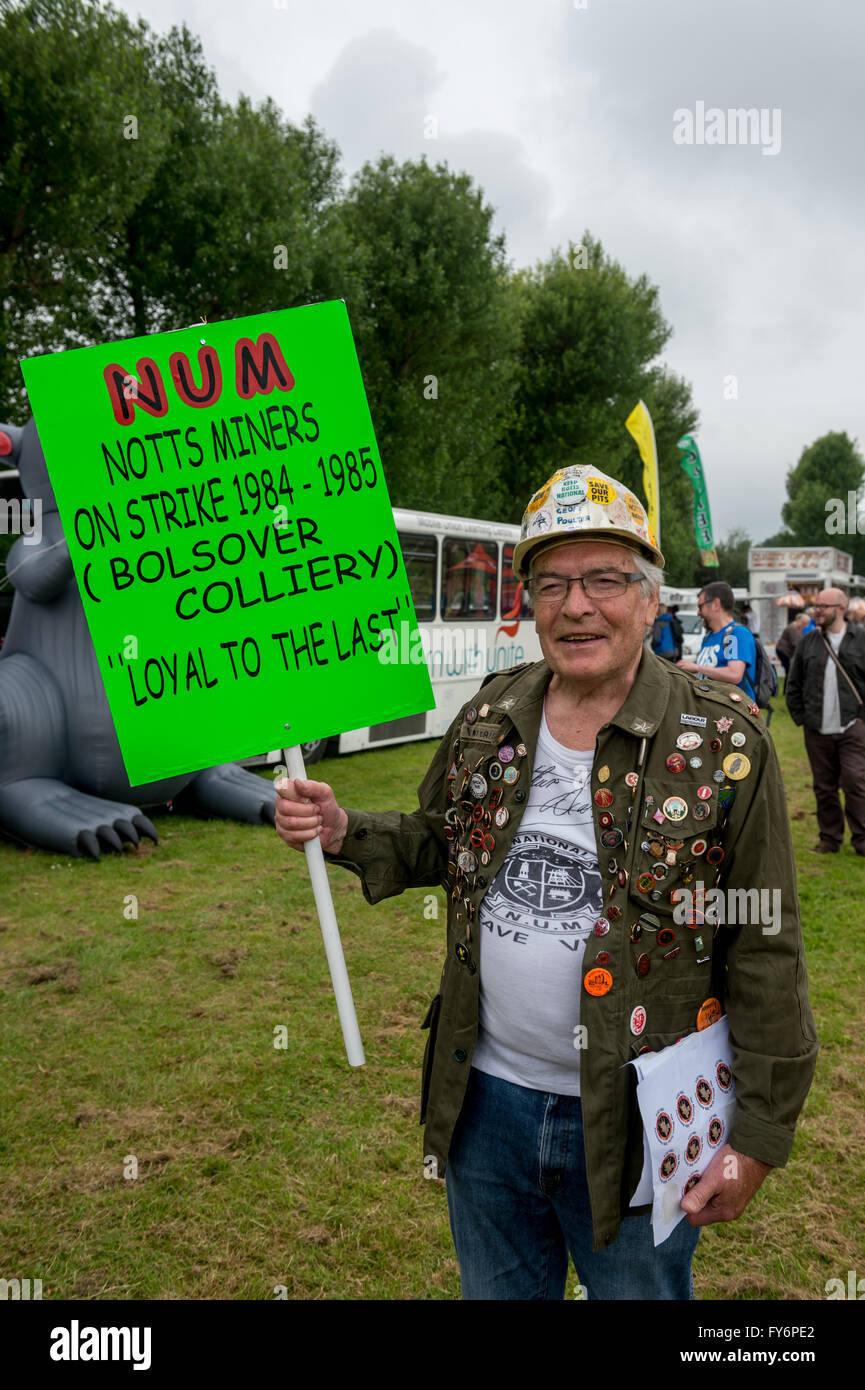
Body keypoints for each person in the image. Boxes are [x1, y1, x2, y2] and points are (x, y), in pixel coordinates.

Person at [274, 463, 817, 1301]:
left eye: (603, 578)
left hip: (642, 1120)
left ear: (646, 597)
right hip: (484, 1106)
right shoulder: (491, 715)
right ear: (528, 601)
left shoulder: (725, 740)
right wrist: (345, 829)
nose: (575, 605)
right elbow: (437, 841)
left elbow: (763, 945)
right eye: (552, 582)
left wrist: (758, 1135)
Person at [785, 587, 865, 855]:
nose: (816, 610)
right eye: (816, 605)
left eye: (823, 606)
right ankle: (829, 840)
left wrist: (861, 721)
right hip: (817, 728)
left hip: (852, 726)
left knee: (855, 782)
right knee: (824, 787)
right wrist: (802, 718)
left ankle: (862, 840)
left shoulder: (861, 639)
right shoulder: (809, 642)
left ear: (841, 608)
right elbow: (793, 684)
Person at [677, 581, 757, 700]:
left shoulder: (736, 634)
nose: (698, 613)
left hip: (733, 714)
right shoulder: (708, 637)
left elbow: (734, 674)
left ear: (716, 604)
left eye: (700, 607)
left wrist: (697, 667)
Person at [776, 612, 809, 678]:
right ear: (801, 621)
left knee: (789, 671)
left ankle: (787, 686)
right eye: (804, 624)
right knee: (789, 671)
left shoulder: (798, 628)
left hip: (786, 651)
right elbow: (795, 643)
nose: (805, 626)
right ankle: (787, 687)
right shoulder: (793, 628)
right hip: (783, 651)